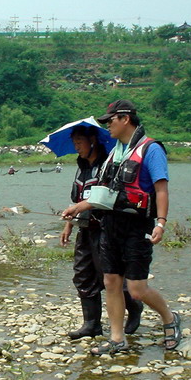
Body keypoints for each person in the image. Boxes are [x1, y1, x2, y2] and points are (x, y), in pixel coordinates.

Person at [63, 100, 181, 354]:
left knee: (137, 289)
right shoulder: (114, 154)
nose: (108, 127)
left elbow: (161, 189)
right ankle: (117, 338)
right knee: (111, 282)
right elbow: (103, 194)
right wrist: (77, 209)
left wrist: (161, 222)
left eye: (111, 121)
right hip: (110, 224)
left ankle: (170, 319)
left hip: (137, 225)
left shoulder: (151, 149)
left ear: (125, 119)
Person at [60, 125, 143, 340]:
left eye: (79, 141)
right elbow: (77, 199)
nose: (76, 146)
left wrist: (79, 208)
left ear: (92, 141)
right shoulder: (81, 167)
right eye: (74, 142)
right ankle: (92, 324)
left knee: (111, 276)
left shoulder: (108, 165)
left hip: (106, 229)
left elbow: (108, 196)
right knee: (83, 275)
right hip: (85, 229)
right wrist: (69, 224)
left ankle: (134, 309)